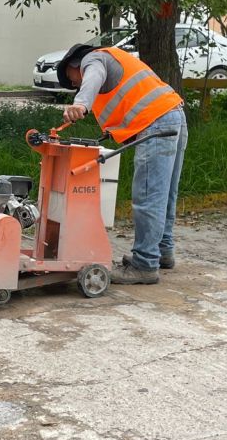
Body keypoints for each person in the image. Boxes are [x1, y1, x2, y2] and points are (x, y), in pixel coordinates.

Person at [57, 42, 188, 284]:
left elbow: (93, 77)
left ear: (75, 64)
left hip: (156, 121)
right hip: (172, 114)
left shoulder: (94, 60)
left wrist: (81, 103)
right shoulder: (114, 60)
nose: (74, 84)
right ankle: (162, 252)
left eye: (70, 78)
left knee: (148, 195)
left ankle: (144, 264)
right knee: (165, 193)